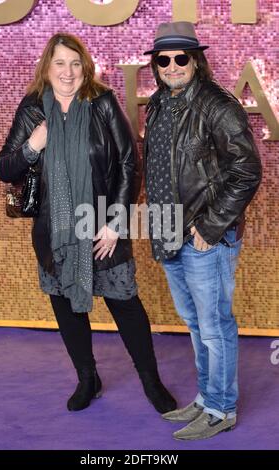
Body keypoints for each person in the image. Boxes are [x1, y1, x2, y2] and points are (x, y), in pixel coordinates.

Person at [0, 33, 177, 415]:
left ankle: (151, 381)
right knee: (67, 309)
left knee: (126, 306)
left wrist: (116, 221)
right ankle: (87, 379)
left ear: (86, 67)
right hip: (55, 232)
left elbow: (130, 163)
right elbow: (5, 167)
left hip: (102, 228)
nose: (68, 71)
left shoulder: (103, 103)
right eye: (60, 63)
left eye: (75, 63)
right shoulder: (32, 109)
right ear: (47, 67)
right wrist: (33, 146)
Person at [143, 22, 262, 439]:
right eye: (164, 59)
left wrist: (210, 228)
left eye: (181, 58)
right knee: (195, 324)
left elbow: (247, 172)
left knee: (214, 326)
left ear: (196, 61)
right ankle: (206, 397)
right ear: (155, 65)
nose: (172, 66)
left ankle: (221, 409)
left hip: (204, 237)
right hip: (169, 232)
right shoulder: (159, 104)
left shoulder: (217, 105)